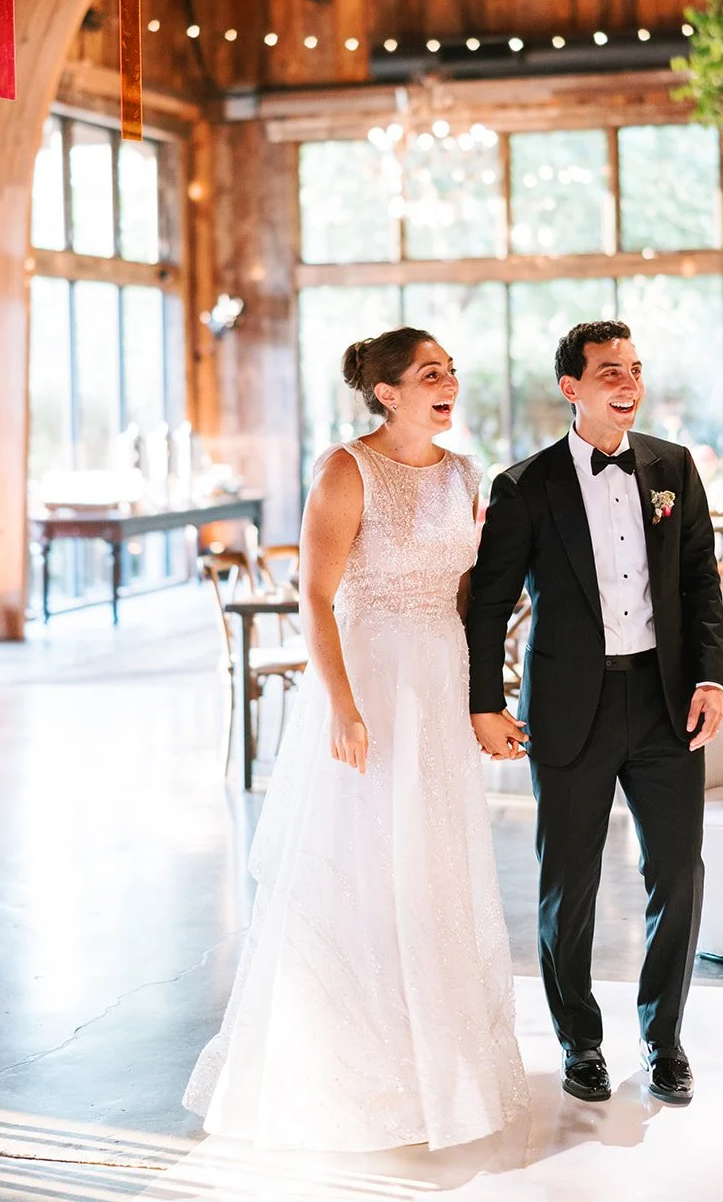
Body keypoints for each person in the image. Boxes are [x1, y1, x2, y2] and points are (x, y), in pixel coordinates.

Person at [184, 327, 528, 1151]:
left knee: (435, 863)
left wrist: (489, 689)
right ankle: (348, 1064)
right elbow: (313, 594)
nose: (450, 383)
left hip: (439, 685)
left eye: (452, 370)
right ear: (387, 392)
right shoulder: (347, 469)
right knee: (363, 864)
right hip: (371, 680)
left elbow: (473, 594)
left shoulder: (462, 474)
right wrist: (339, 705)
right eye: (430, 373)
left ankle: (440, 1063)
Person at [466, 319, 723, 1108]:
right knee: (566, 884)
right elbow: (489, 603)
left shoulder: (671, 467)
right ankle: (580, 1044)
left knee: (676, 874)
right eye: (609, 370)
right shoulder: (525, 486)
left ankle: (664, 1038)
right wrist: (484, 701)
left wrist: (711, 680)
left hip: (663, 700)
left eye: (636, 369)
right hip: (568, 706)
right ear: (571, 387)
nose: (628, 383)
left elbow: (699, 583)